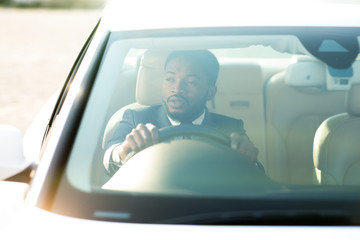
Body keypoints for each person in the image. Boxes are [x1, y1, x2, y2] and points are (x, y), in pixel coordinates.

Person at [103, 50, 260, 176]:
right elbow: (109, 157)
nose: (177, 89)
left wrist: (249, 161)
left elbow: (257, 174)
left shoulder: (231, 127)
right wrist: (124, 151)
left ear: (211, 92)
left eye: (190, 82)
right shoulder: (137, 118)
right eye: (170, 79)